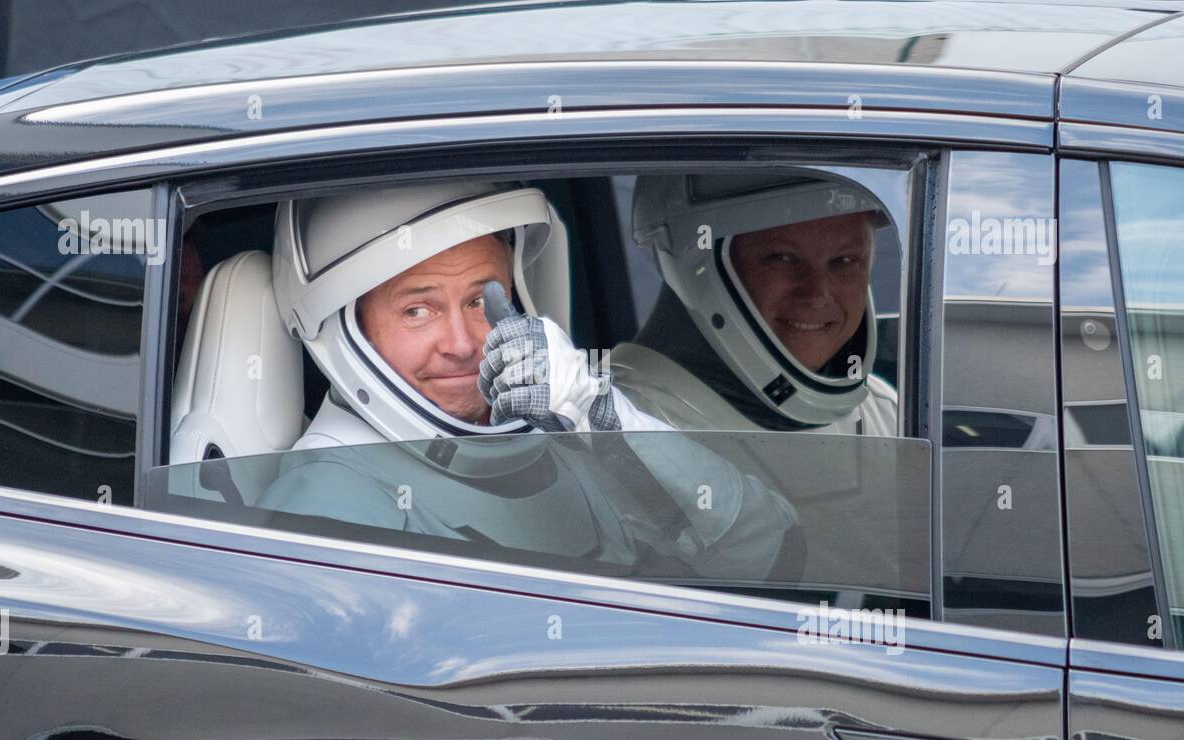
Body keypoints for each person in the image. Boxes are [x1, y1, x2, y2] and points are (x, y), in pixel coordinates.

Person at [259, 179, 797, 580]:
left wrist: (604, 415)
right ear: (343, 330)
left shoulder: (566, 434)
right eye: (417, 311)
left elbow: (769, 555)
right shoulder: (325, 504)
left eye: (480, 300)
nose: (465, 343)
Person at [610, 174, 899, 436]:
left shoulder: (883, 412)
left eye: (845, 261)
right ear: (696, 267)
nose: (817, 293)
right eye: (782, 258)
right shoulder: (611, 422)